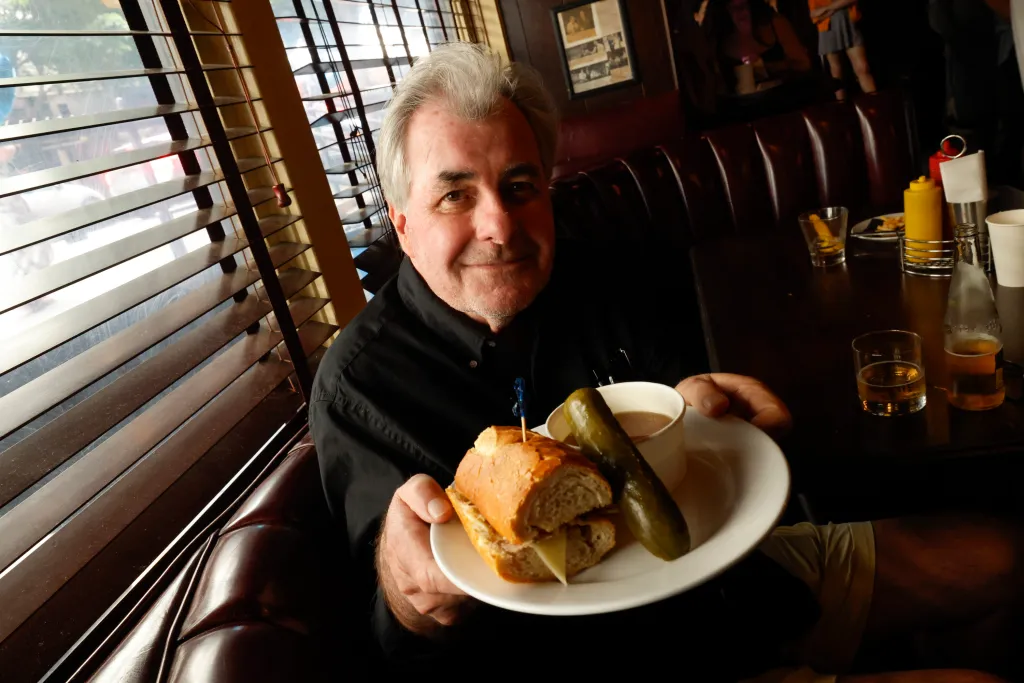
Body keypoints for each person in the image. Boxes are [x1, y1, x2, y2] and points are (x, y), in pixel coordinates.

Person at [310, 43, 1022, 682]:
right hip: (612, 665)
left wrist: (718, 410)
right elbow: (394, 639)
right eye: (454, 195)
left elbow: (692, 405)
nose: (499, 225)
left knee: (1003, 557)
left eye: (520, 186)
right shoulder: (361, 386)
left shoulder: (598, 273)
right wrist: (407, 591)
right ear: (402, 222)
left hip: (736, 586)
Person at [808, 0, 876, 100]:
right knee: (836, 72)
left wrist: (828, 8)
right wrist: (836, 6)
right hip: (827, 27)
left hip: (849, 22)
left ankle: (874, 102)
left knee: (862, 67)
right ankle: (841, 105)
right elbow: (814, 14)